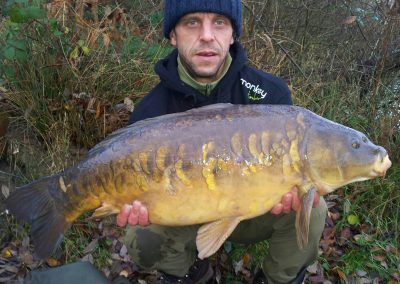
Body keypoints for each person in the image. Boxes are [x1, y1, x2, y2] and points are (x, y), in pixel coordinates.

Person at [116, 0, 328, 283]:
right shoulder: (150, 111)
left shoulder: (270, 94)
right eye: (192, 22)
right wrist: (136, 206)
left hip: (253, 210)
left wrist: (290, 191)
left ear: (232, 35)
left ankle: (277, 278)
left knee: (312, 207)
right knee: (141, 236)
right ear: (173, 35)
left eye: (219, 22)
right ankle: (192, 275)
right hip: (183, 211)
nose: (206, 35)